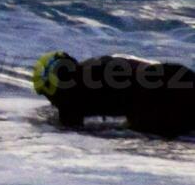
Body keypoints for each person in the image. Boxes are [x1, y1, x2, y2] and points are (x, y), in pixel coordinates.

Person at [32, 51, 195, 137]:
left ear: (52, 86)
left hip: (163, 95)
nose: (52, 103)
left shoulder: (69, 94)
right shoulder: (93, 67)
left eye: (47, 95)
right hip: (178, 76)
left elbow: (68, 128)